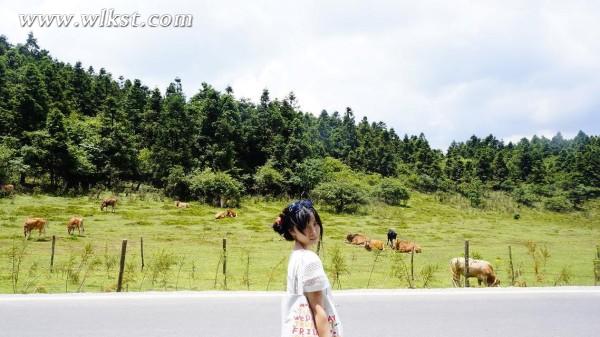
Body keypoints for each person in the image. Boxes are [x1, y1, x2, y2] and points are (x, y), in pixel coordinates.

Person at [273, 199, 343, 337]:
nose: (313, 231)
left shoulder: (295, 257)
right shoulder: (310, 259)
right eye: (306, 226)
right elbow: (318, 310)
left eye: (315, 224)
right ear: (292, 231)